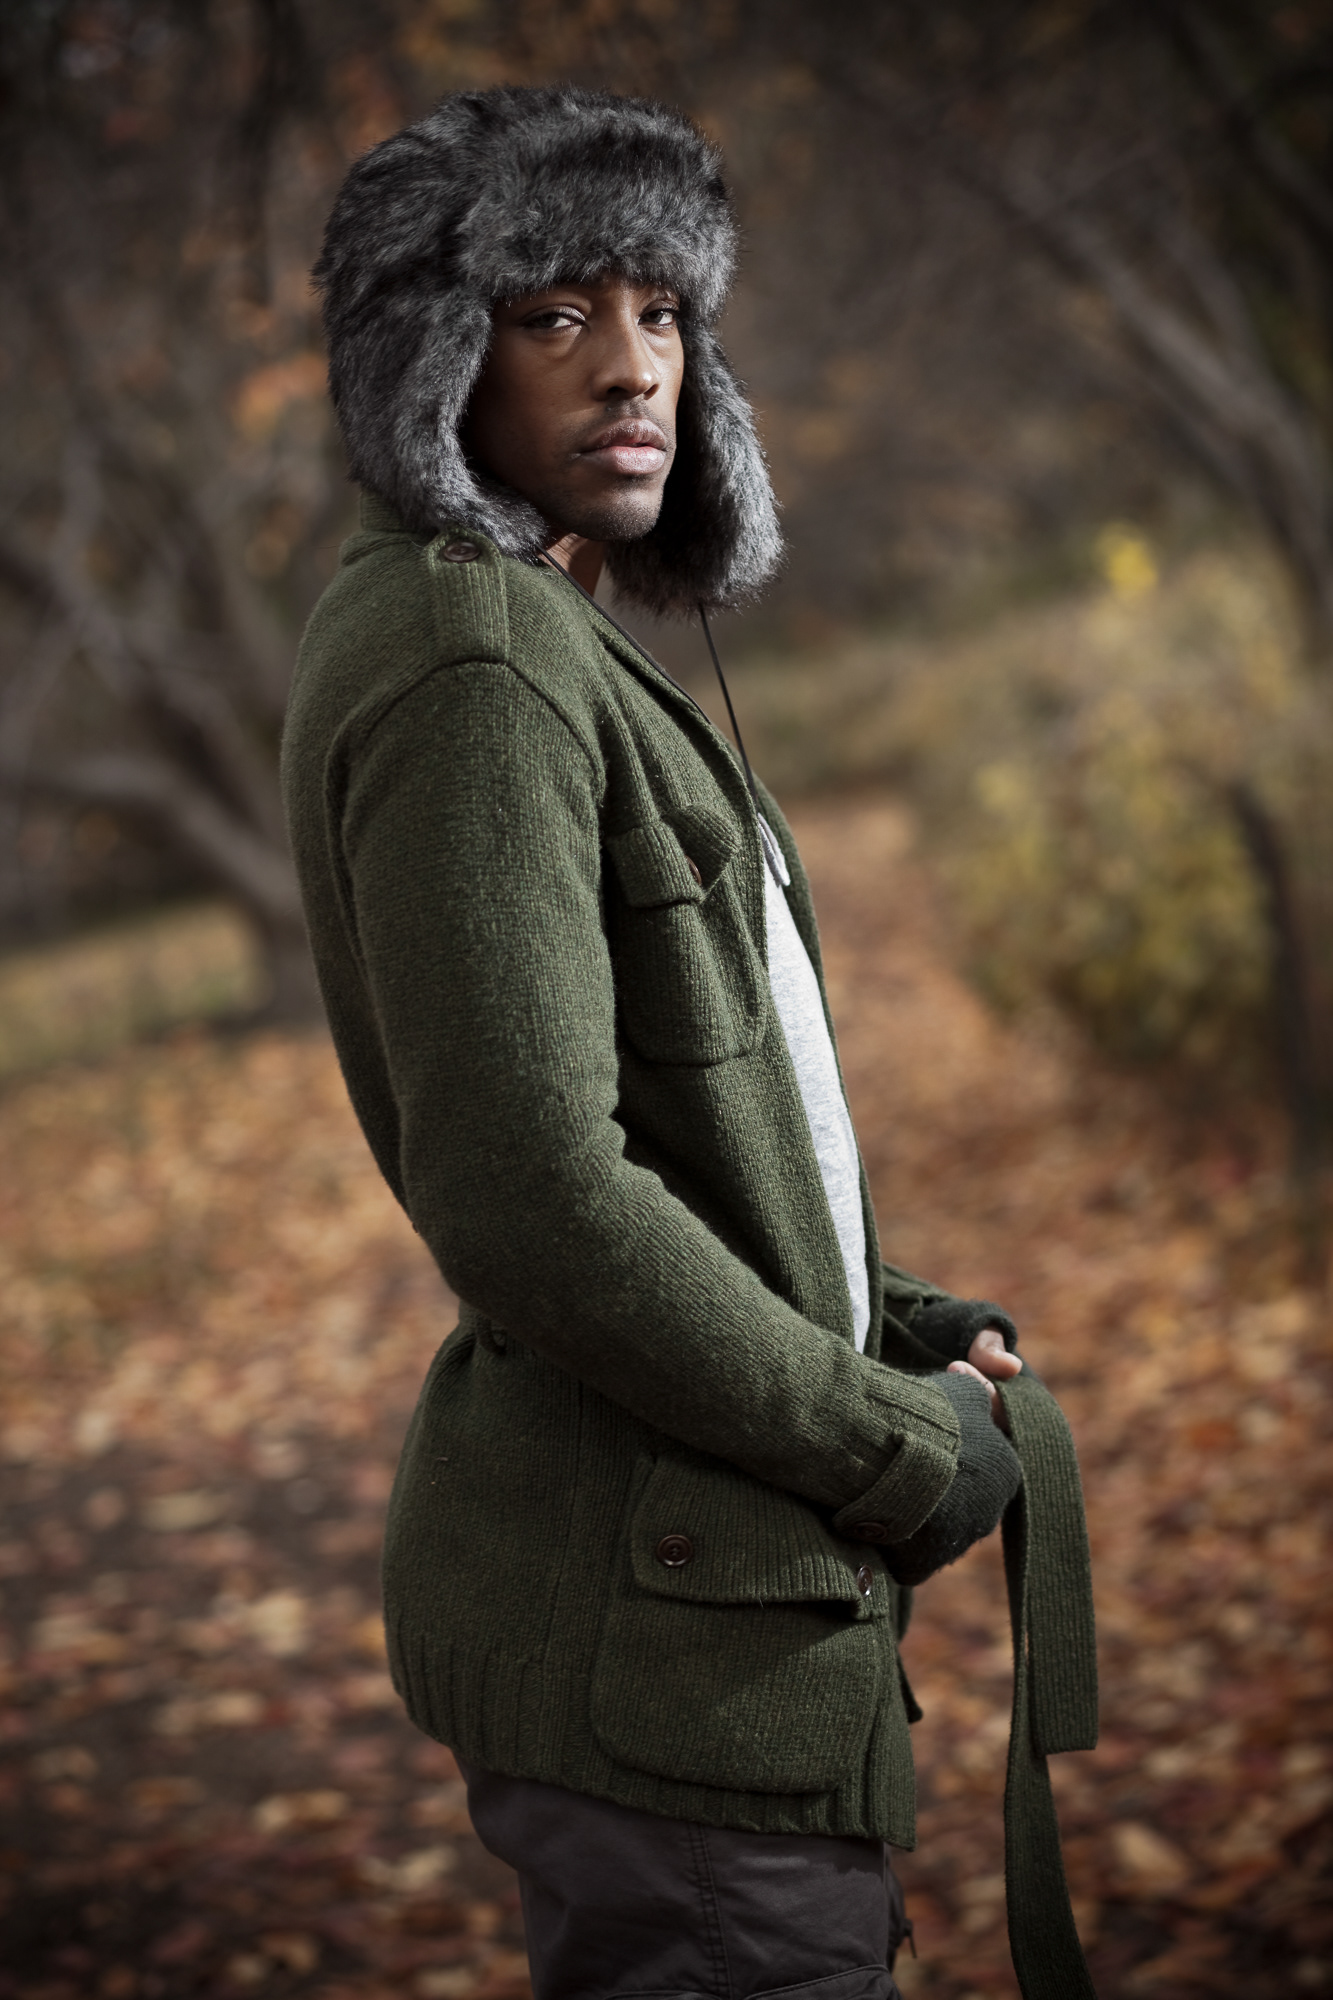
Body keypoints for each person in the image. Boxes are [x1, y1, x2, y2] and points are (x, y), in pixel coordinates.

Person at [284, 84, 1096, 2000]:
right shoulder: (476, 653)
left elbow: (672, 1120)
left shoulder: (533, 632)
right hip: (668, 1630)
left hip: (696, 1596)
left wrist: (883, 1314)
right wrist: (888, 1446)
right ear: (430, 358)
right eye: (554, 315)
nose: (631, 366)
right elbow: (531, 1191)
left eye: (661, 312)